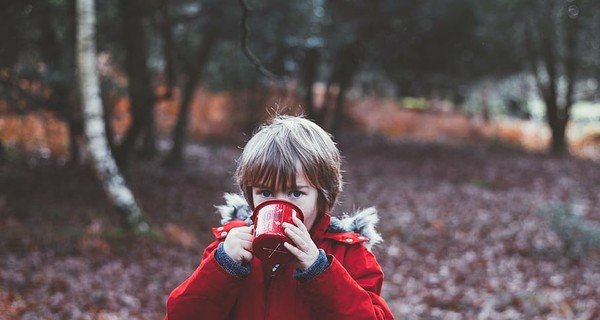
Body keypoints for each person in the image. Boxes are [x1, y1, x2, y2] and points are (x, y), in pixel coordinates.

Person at [165, 115, 394, 319]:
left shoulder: (350, 255)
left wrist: (320, 271)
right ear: (249, 195)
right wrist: (223, 266)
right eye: (265, 192)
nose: (279, 204)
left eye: (296, 193)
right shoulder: (229, 248)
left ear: (322, 195)